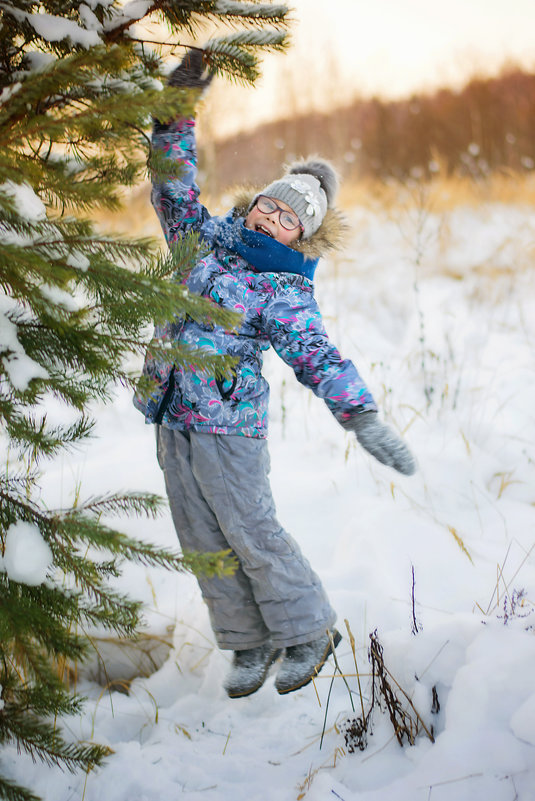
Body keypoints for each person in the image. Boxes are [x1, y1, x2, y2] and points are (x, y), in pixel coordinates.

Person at [134, 50, 416, 699]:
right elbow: (172, 185)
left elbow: (317, 354)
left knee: (250, 530)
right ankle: (246, 641)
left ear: (302, 235)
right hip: (172, 411)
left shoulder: (282, 287)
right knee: (200, 535)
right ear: (254, 202)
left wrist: (360, 413)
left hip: (228, 426)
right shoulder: (199, 238)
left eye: (290, 217)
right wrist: (174, 112)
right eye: (269, 204)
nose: (271, 216)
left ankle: (309, 629)